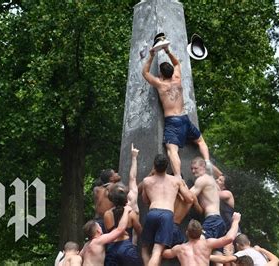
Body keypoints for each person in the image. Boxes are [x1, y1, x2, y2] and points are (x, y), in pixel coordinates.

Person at [142, 45, 213, 178]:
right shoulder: (177, 78)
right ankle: (207, 162)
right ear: (172, 72)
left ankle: (178, 177)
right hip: (185, 119)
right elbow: (176, 63)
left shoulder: (160, 84)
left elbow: (145, 73)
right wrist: (168, 50)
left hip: (173, 121)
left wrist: (151, 55)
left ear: (161, 74)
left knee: (172, 151)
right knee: (200, 141)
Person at [140, 154, 194, 266]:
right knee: (157, 251)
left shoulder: (147, 181)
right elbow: (189, 199)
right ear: (167, 167)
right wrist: (180, 188)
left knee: (145, 248)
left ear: (154, 166)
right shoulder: (176, 181)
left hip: (152, 212)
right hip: (167, 214)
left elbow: (145, 200)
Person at [162, 212, 241, 266]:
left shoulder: (179, 249)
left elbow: (164, 254)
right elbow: (229, 238)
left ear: (187, 233)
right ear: (201, 234)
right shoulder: (207, 244)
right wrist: (236, 221)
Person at [93, 144, 138, 232]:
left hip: (97, 222)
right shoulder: (114, 187)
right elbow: (133, 189)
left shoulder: (96, 190)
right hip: (108, 220)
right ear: (111, 178)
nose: (117, 173)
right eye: (115, 173)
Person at [190, 157, 226, 242]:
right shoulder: (211, 179)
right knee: (216, 250)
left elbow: (190, 196)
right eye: (191, 169)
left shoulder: (202, 179)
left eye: (195, 168)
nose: (193, 171)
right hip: (218, 221)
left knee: (198, 243)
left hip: (212, 220)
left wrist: (178, 185)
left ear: (203, 166)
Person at [104, 187, 142, 266]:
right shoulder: (131, 213)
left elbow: (108, 232)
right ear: (125, 200)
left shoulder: (107, 214)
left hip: (112, 248)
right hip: (126, 247)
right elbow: (139, 230)